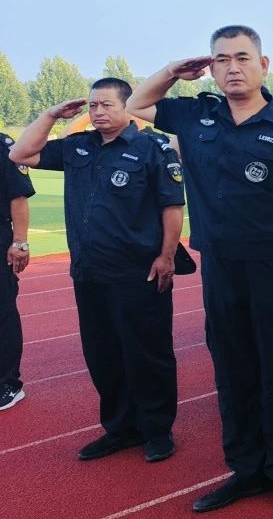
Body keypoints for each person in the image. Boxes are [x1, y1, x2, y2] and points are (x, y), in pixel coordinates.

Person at [129, 26, 273, 513]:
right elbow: (137, 102)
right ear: (211, 68)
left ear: (264, 65)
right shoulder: (195, 115)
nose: (232, 67)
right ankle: (245, 470)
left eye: (242, 57)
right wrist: (173, 71)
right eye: (222, 59)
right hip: (220, 265)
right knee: (232, 368)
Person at [11, 80, 184, 462]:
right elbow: (21, 153)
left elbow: (172, 206)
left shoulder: (152, 148)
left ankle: (157, 430)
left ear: (127, 106)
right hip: (89, 271)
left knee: (147, 353)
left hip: (138, 271)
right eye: (93, 106)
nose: (98, 112)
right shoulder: (78, 146)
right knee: (103, 353)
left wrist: (167, 256)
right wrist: (51, 114)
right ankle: (121, 429)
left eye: (107, 105)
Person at [0, 133, 35, 411]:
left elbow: (18, 196)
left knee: (2, 312)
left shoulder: (3, 147)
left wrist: (20, 242)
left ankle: (7, 384)